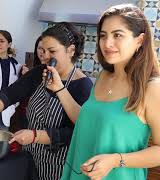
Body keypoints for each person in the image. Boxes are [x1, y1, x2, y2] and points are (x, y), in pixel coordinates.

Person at [0, 22, 93, 180]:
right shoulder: (40, 72)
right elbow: (12, 92)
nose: (45, 56)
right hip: (29, 157)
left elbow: (76, 133)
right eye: (44, 50)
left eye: (52, 51)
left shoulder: (83, 85)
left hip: (58, 166)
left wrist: (36, 136)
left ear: (70, 50)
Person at [60, 4, 160, 180]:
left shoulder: (151, 88)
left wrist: (116, 160)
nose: (107, 43)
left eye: (118, 35)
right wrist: (59, 89)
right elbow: (87, 121)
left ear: (140, 40)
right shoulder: (103, 77)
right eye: (103, 35)